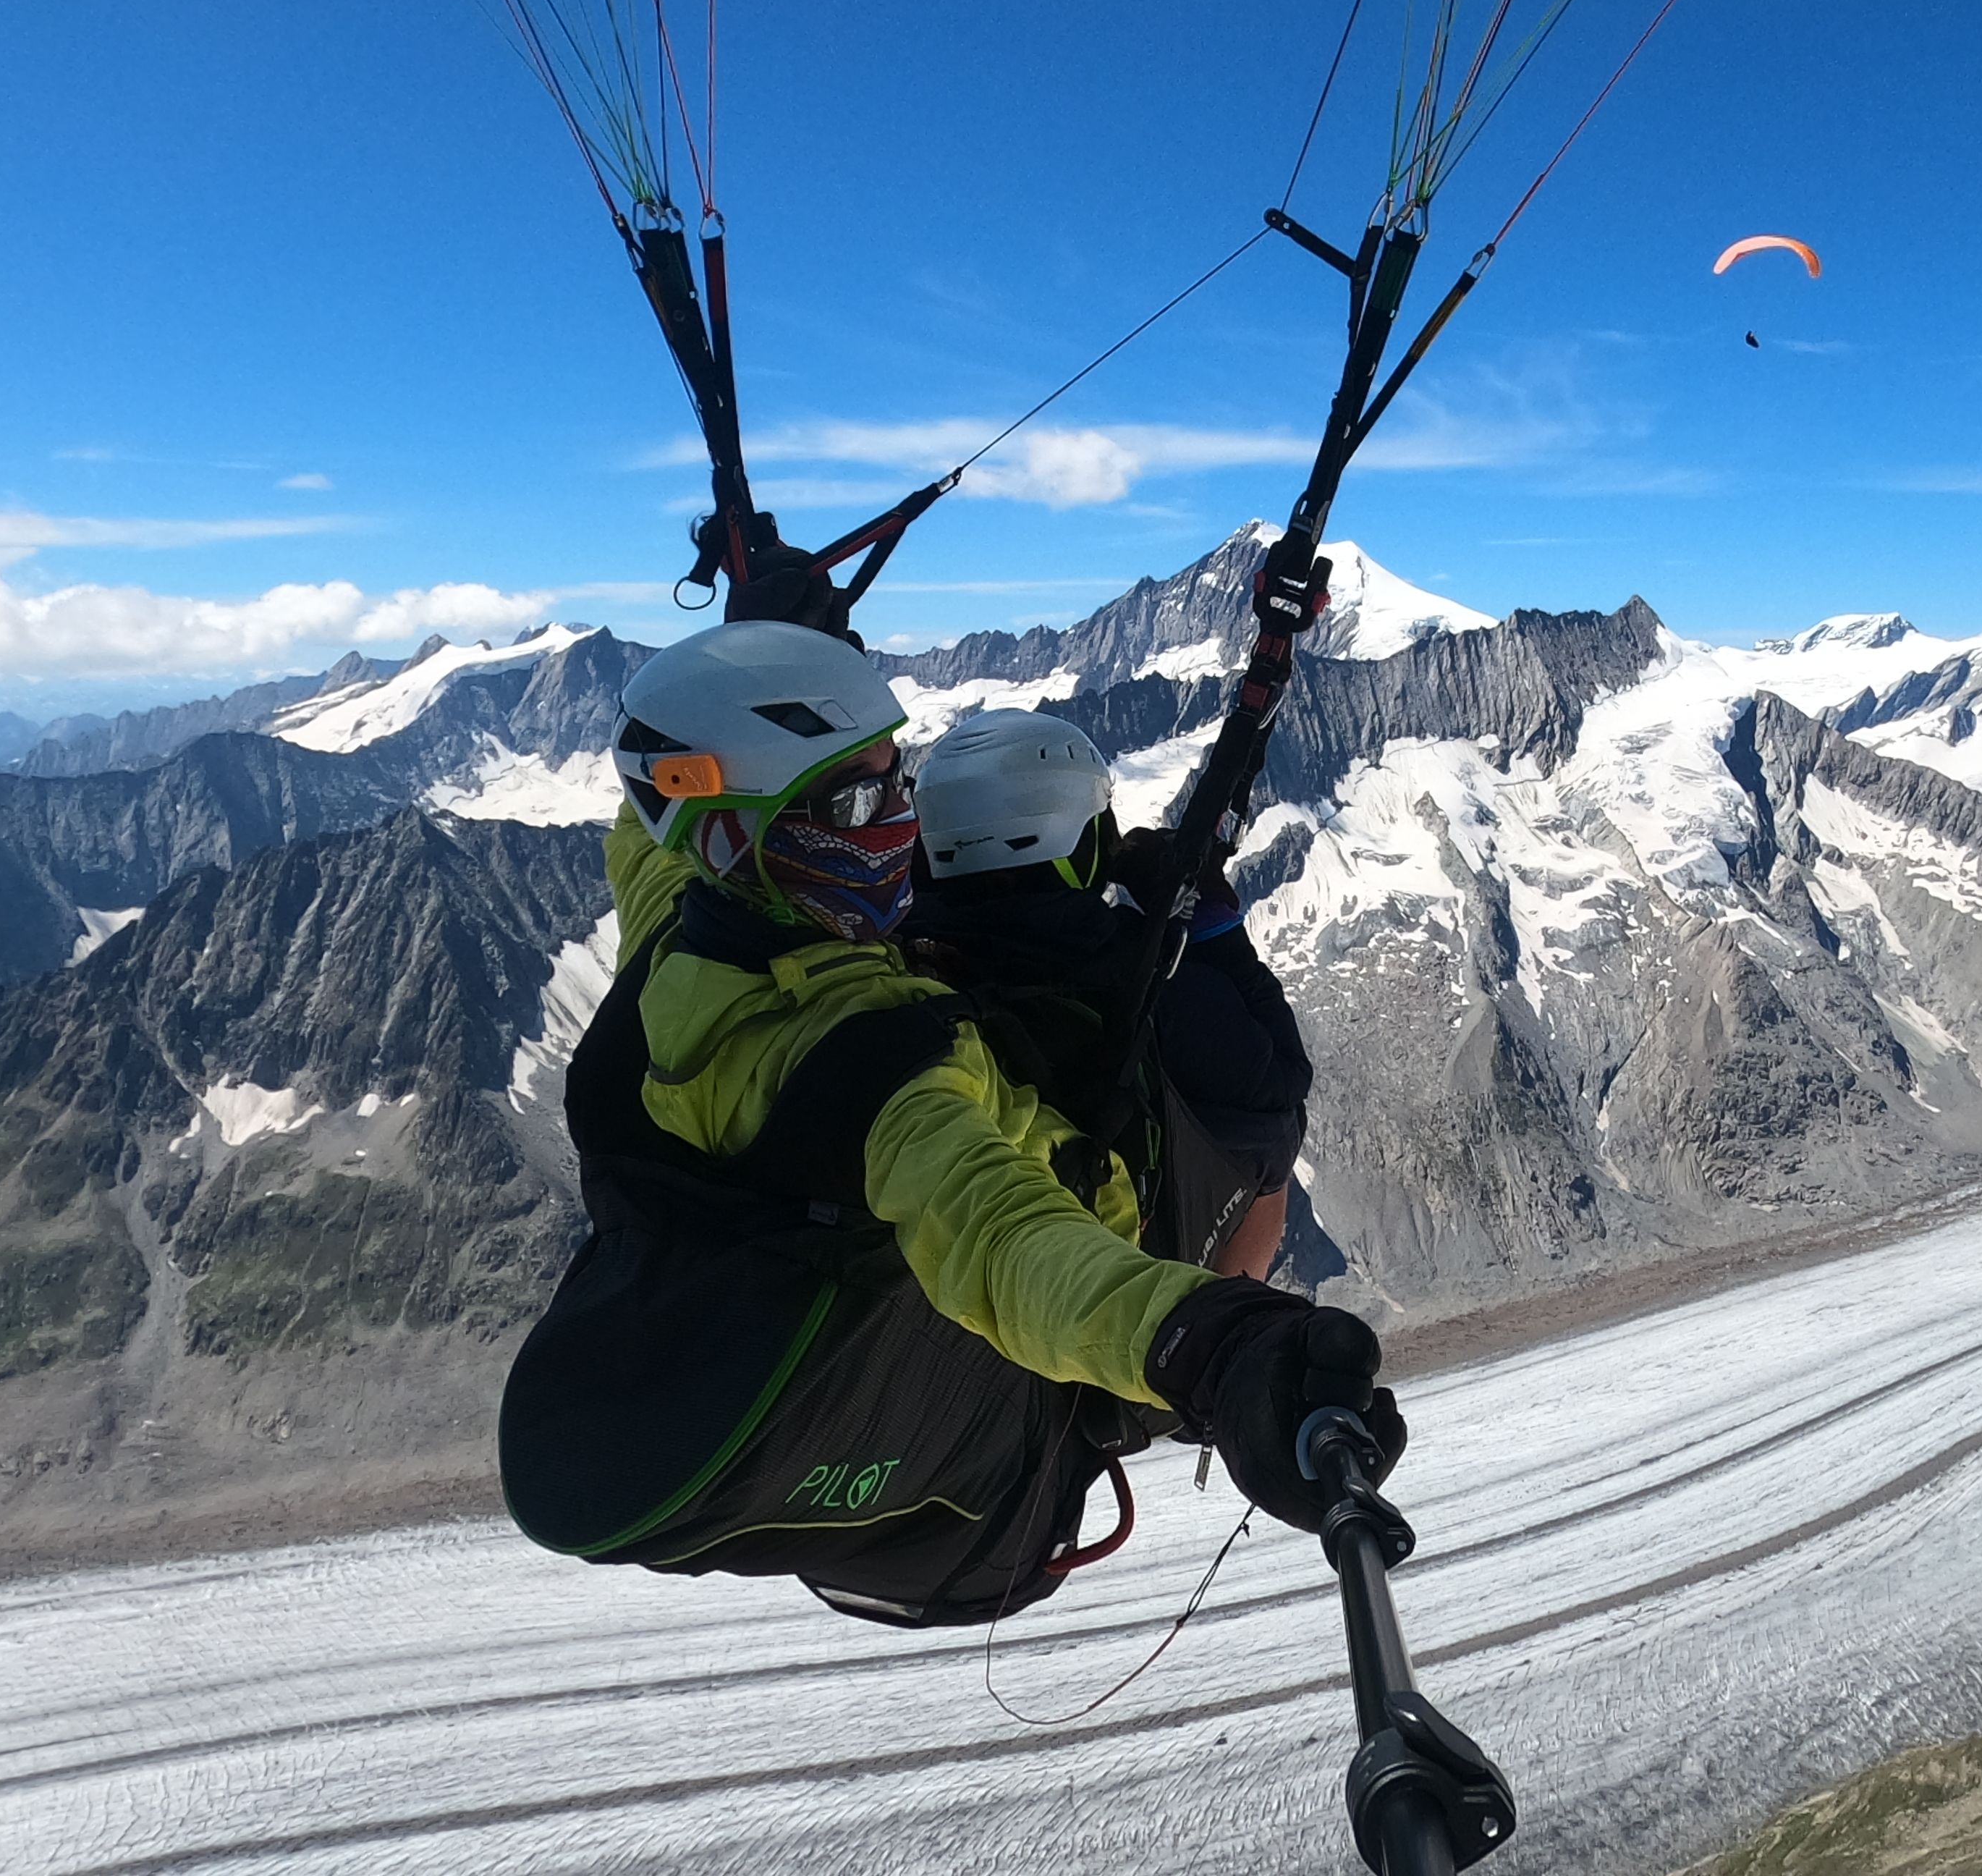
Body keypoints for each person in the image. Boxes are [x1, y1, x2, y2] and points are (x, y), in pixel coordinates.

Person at [495, 609, 1402, 1625]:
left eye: (896, 777)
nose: (894, 819)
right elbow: (1004, 1235)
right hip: (1101, 1258)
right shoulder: (870, 1070)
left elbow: (650, 836)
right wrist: (1204, 1343)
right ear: (742, 831)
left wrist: (766, 628)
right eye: (853, 796)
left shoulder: (692, 931)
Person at [898, 708, 1310, 1283]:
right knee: (1275, 1133)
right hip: (1107, 1241)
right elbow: (1282, 1082)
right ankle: (1223, 1305)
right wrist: (1213, 926)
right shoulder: (1139, 974)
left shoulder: (899, 955)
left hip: (958, 1242)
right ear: (1080, 842)